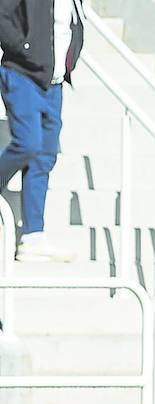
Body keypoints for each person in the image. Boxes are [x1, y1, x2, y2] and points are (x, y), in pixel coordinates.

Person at [0, 0, 83, 261]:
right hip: (23, 75)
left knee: (44, 156)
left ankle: (33, 236)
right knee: (28, 143)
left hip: (54, 83)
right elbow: (2, 15)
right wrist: (23, 48)